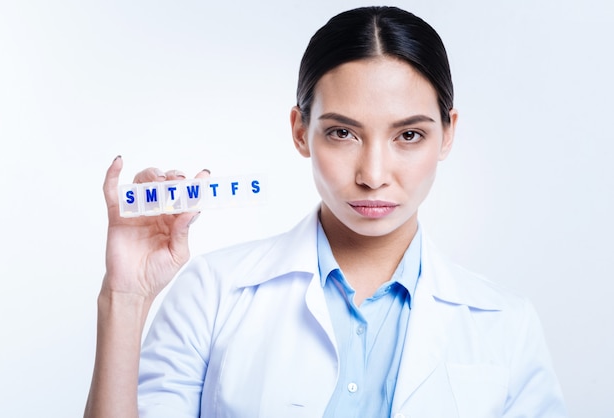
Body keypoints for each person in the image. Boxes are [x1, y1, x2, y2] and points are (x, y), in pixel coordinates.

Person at [84, 6, 567, 418]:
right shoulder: (211, 295)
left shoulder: (506, 324)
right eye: (342, 133)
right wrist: (126, 296)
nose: (373, 174)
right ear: (300, 130)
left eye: (409, 135)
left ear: (448, 133)